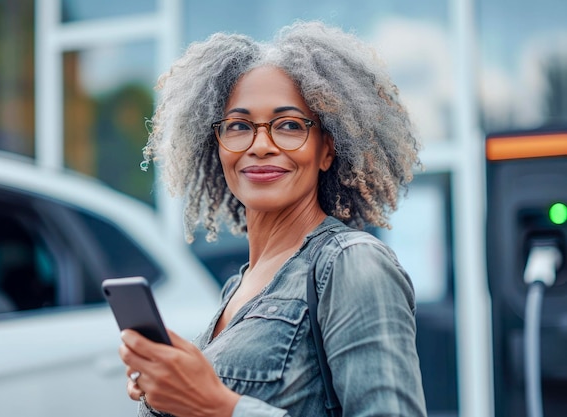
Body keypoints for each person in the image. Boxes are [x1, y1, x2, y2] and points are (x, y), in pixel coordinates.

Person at [119, 20, 427, 417]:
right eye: (239, 126)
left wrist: (217, 405)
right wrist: (166, 395)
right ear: (218, 147)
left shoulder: (351, 264)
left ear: (327, 150)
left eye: (289, 125)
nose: (261, 145)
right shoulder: (238, 286)